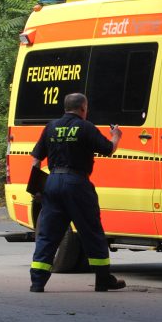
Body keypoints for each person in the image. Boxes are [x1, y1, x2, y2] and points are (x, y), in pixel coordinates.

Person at [29, 92, 125, 292]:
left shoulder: (51, 127)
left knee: (48, 235)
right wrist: (116, 136)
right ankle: (103, 279)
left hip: (53, 182)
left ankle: (37, 282)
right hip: (76, 183)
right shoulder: (85, 127)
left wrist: (36, 189)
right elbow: (108, 149)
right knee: (92, 232)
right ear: (83, 108)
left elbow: (36, 159)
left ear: (65, 108)